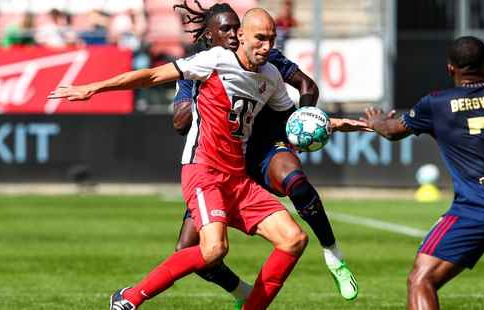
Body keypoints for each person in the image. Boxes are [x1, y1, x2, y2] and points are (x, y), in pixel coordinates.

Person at [50, 8, 315, 310]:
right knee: (213, 250)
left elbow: (293, 122)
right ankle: (129, 298)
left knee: (293, 239)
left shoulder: (271, 76)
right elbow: (151, 75)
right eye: (260, 39)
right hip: (204, 171)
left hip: (238, 180)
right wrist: (93, 88)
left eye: (271, 39)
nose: (266, 47)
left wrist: (332, 125)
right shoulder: (214, 61)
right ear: (242, 36)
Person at [171, 0, 359, 305]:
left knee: (296, 180)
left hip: (264, 143)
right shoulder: (199, 68)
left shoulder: (264, 55)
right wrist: (198, 88)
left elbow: (306, 84)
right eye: (226, 29)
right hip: (221, 158)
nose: (234, 35)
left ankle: (333, 254)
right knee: (189, 250)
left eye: (237, 28)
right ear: (210, 37)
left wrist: (304, 120)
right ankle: (241, 292)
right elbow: (180, 124)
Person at [361, 36, 484, 310]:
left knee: (421, 279)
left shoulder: (436, 104)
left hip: (477, 206)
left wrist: (377, 122)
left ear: (450, 69)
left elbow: (392, 132)